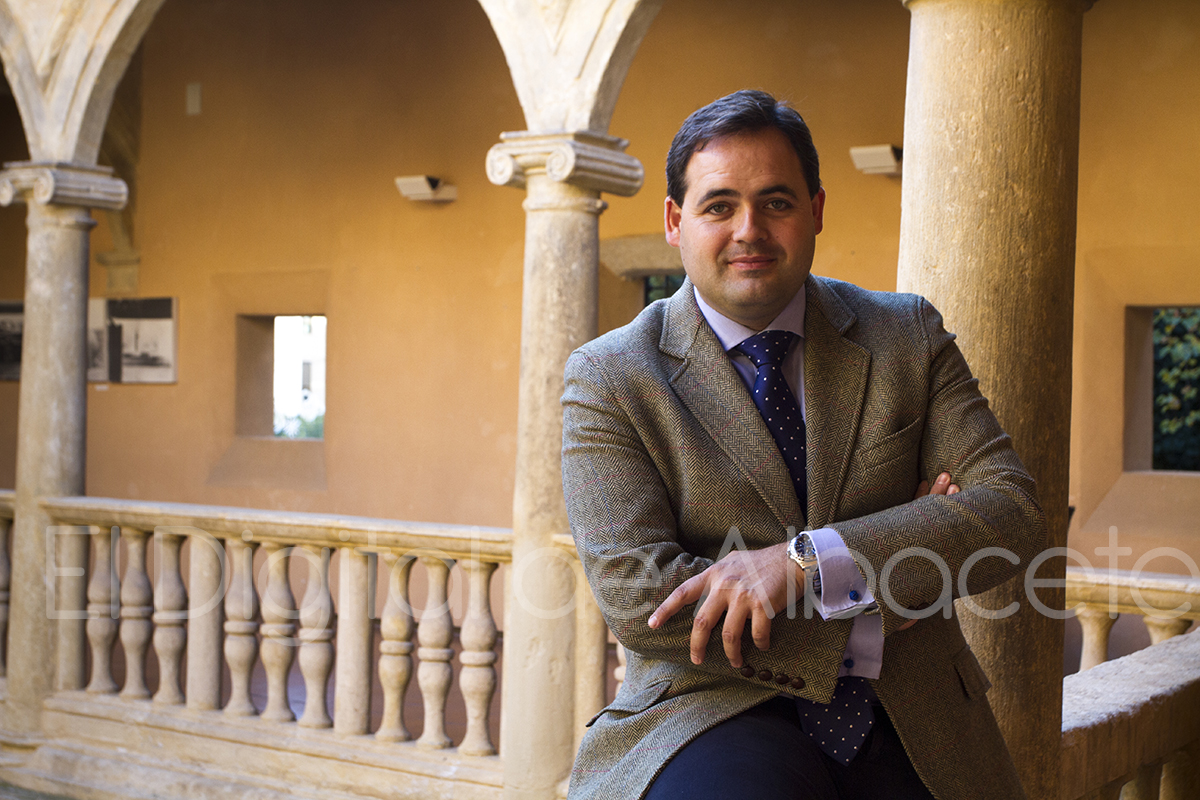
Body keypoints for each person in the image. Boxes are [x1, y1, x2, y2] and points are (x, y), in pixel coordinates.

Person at [560, 90, 1045, 800]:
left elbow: (1009, 513)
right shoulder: (611, 375)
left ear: (815, 209)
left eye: (776, 202)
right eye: (719, 205)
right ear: (675, 221)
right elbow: (640, 599)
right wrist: (885, 590)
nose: (748, 230)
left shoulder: (906, 336)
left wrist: (804, 563)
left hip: (917, 713)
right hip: (708, 710)